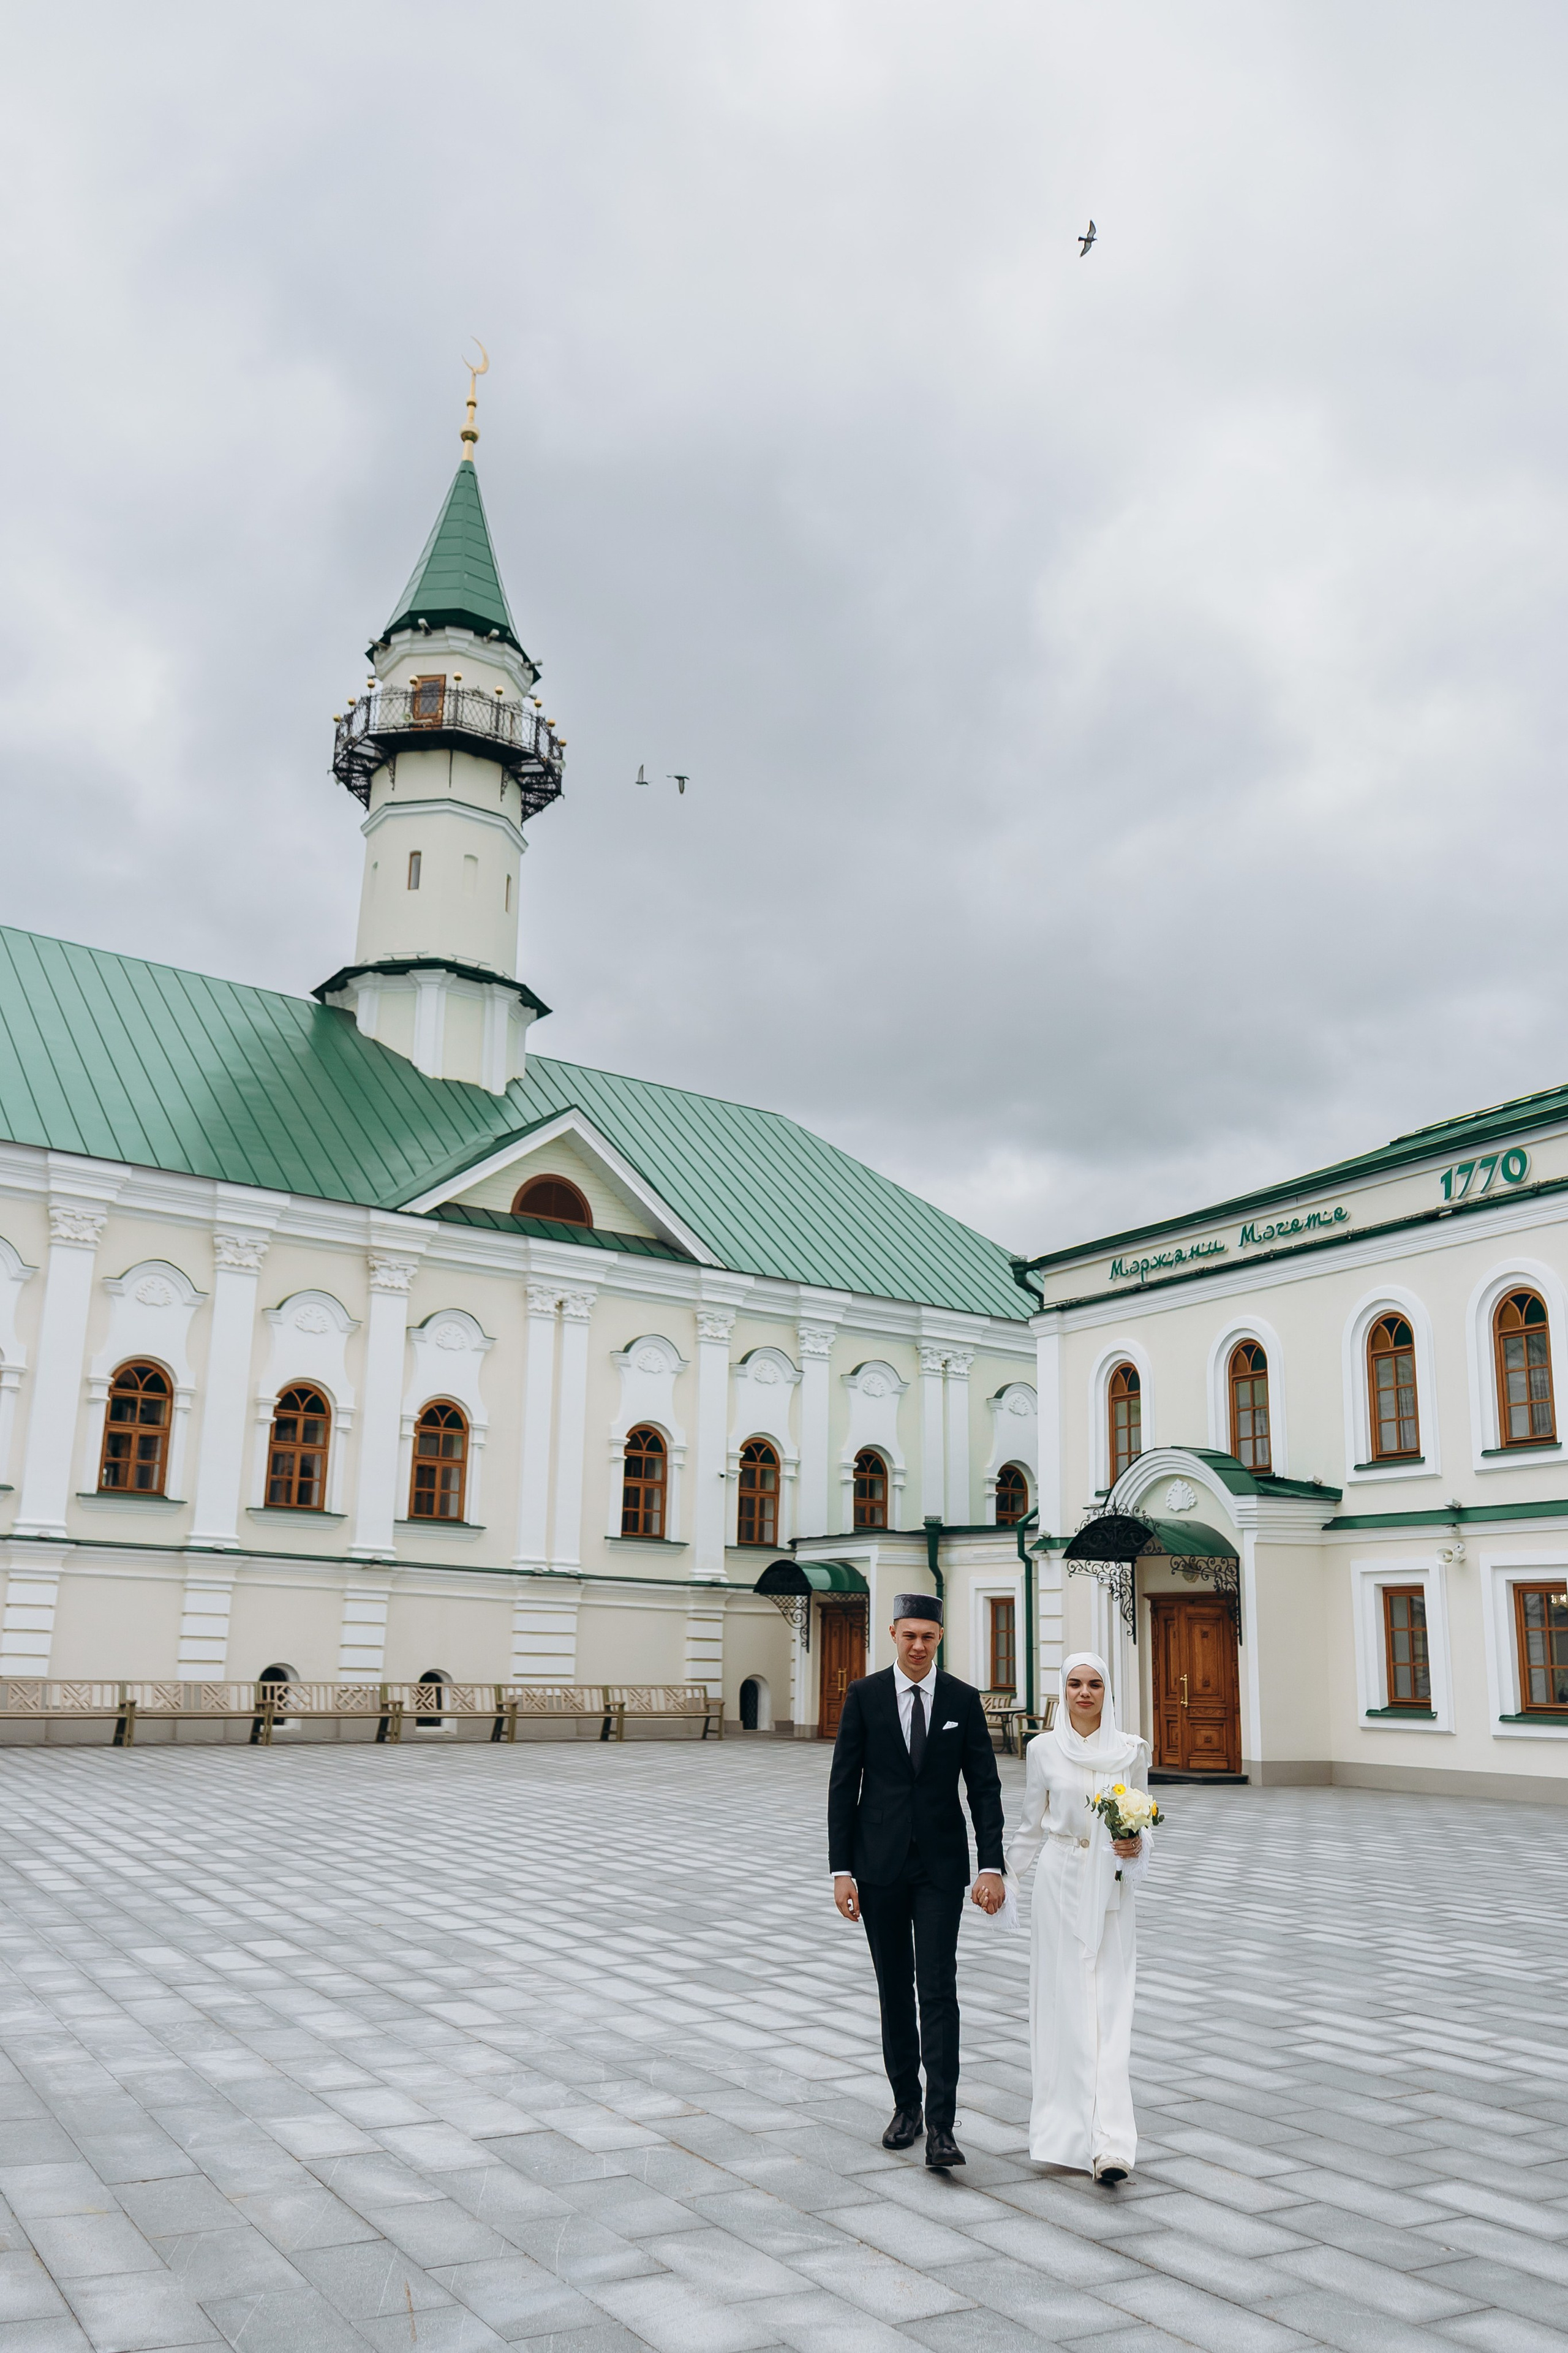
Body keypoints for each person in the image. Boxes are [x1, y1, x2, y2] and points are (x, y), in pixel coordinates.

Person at [827, 1593, 1006, 2169]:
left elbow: (984, 1787)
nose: (919, 1645)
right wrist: (841, 1870)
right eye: (910, 1635)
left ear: (940, 1637)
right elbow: (843, 1785)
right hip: (877, 1866)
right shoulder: (865, 1695)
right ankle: (906, 2105)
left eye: (928, 1636)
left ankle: (942, 2128)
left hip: (939, 1867)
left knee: (938, 1989)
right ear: (893, 1634)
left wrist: (992, 1863)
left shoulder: (961, 1699)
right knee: (894, 1989)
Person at [1003, 1650, 1152, 2185]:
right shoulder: (1043, 1749)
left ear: (1107, 1691)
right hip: (1059, 1883)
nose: (1084, 1693)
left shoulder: (1131, 1750)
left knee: (1110, 2005)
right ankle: (1065, 2134)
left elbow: (1143, 1818)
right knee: (1063, 2005)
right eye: (1074, 1684)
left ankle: (1111, 2143)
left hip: (1109, 1886)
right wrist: (1003, 1878)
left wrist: (1136, 1843)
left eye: (1094, 1684)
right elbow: (1030, 1825)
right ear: (1063, 1691)